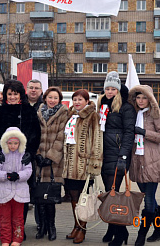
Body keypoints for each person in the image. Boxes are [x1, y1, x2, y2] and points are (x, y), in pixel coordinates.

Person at [0, 80, 41, 236]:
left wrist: (30, 152)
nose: (12, 97)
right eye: (9, 94)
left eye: (15, 94)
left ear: (20, 95)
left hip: (22, 159)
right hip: (3, 159)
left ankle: (20, 229)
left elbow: (36, 134)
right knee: (1, 193)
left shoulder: (28, 111)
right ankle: (4, 229)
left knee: (21, 196)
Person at [97, 71, 136, 246]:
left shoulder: (126, 107)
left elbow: (129, 133)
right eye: (107, 88)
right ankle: (112, 228)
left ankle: (121, 232)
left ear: (119, 90)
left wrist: (124, 155)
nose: (110, 91)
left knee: (114, 193)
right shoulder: (102, 104)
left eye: (113, 88)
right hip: (104, 154)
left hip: (118, 154)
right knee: (108, 192)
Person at [128, 85, 160, 246]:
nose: (141, 100)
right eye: (138, 97)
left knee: (149, 200)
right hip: (137, 162)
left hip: (152, 163)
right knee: (148, 198)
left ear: (150, 99)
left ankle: (141, 235)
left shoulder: (155, 114)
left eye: (144, 98)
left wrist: (144, 132)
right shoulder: (134, 114)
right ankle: (159, 230)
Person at [63, 89, 103, 244]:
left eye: (80, 99)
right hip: (69, 165)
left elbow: (97, 140)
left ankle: (83, 229)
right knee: (73, 196)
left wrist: (94, 162)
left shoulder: (93, 116)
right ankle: (76, 225)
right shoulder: (71, 115)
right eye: (75, 99)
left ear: (87, 101)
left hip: (83, 164)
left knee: (83, 197)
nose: (77, 102)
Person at [35, 87, 68, 241]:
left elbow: (61, 137)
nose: (52, 100)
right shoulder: (39, 112)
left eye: (55, 98)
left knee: (50, 198)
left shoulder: (63, 113)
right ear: (45, 98)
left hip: (53, 163)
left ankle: (51, 227)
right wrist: (37, 156)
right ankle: (41, 226)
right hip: (39, 161)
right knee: (39, 197)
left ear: (59, 100)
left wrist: (51, 156)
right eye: (50, 97)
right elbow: (34, 135)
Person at [0, 127, 32, 246]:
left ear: (20, 143)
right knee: (4, 218)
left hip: (19, 192)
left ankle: (17, 239)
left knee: (18, 218)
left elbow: (28, 171)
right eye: (10, 143)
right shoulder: (1, 155)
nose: (13, 146)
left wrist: (18, 176)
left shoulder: (24, 156)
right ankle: (5, 239)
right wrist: (6, 176)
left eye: (15, 143)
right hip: (3, 191)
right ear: (5, 143)